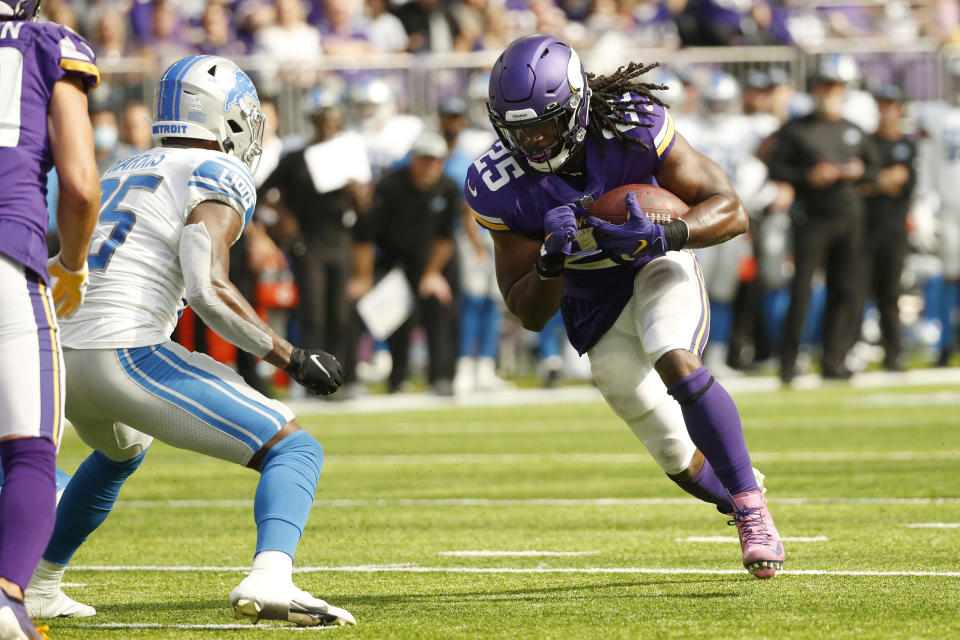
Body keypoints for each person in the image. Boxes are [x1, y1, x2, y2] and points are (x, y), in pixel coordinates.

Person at [22, 55, 356, 629]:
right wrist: (292, 356)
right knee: (294, 448)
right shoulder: (217, 171)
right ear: (227, 119)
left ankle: (41, 583)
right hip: (123, 351)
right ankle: (272, 577)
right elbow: (206, 286)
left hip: (56, 351)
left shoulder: (121, 166)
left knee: (123, 448)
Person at [466, 34, 784, 578]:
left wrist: (669, 234)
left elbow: (731, 211)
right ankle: (739, 494)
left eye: (545, 123)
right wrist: (550, 261)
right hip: (590, 298)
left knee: (672, 353)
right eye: (519, 129)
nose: (535, 140)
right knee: (671, 451)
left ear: (577, 106)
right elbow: (528, 313)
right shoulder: (497, 184)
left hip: (655, 263)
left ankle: (754, 512)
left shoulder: (630, 123)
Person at [0, 2, 101, 638]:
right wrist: (74, 261)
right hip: (8, 253)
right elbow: (82, 184)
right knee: (32, 452)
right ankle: (8, 595)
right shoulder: (47, 43)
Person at [767, 55, 879, 382]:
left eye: (835, 86)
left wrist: (859, 172)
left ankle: (834, 358)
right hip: (812, 217)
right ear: (815, 88)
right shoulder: (796, 129)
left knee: (844, 288)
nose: (830, 91)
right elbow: (776, 167)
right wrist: (807, 177)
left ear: (843, 90)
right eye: (825, 85)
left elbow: (873, 168)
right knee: (801, 289)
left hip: (850, 216)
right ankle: (789, 361)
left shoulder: (853, 130)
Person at [259, 85, 371, 379]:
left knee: (343, 312)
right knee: (314, 313)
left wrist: (356, 191)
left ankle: (344, 375)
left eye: (334, 118)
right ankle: (312, 376)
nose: (329, 124)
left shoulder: (350, 154)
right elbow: (263, 192)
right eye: (323, 118)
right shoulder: (297, 158)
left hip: (341, 239)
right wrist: (283, 217)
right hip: (308, 242)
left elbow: (365, 208)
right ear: (313, 120)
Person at [349, 131, 461, 395]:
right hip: (391, 260)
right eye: (424, 159)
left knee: (441, 306)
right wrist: (364, 278)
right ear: (413, 159)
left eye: (435, 160)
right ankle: (366, 379)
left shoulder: (449, 187)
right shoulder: (390, 187)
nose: (429, 166)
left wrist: (432, 274)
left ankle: (441, 378)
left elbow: (445, 238)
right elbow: (364, 237)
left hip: (432, 262)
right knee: (364, 306)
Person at [859, 86, 916, 371]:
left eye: (892, 104)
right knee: (857, 291)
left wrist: (874, 181)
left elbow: (906, 182)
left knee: (890, 292)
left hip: (894, 229)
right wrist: (884, 180)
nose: (887, 110)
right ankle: (850, 351)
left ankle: (894, 353)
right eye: (883, 104)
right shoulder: (866, 142)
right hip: (864, 228)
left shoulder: (908, 144)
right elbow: (860, 183)